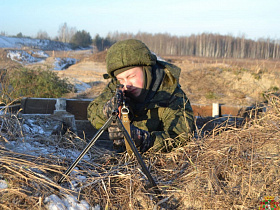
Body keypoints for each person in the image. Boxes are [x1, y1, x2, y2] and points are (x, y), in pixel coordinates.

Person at [87, 39, 194, 153]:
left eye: (131, 76)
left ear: (146, 71)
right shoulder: (118, 87)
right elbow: (92, 112)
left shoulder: (171, 94)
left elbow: (181, 136)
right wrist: (106, 111)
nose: (127, 84)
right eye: (121, 79)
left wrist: (144, 140)